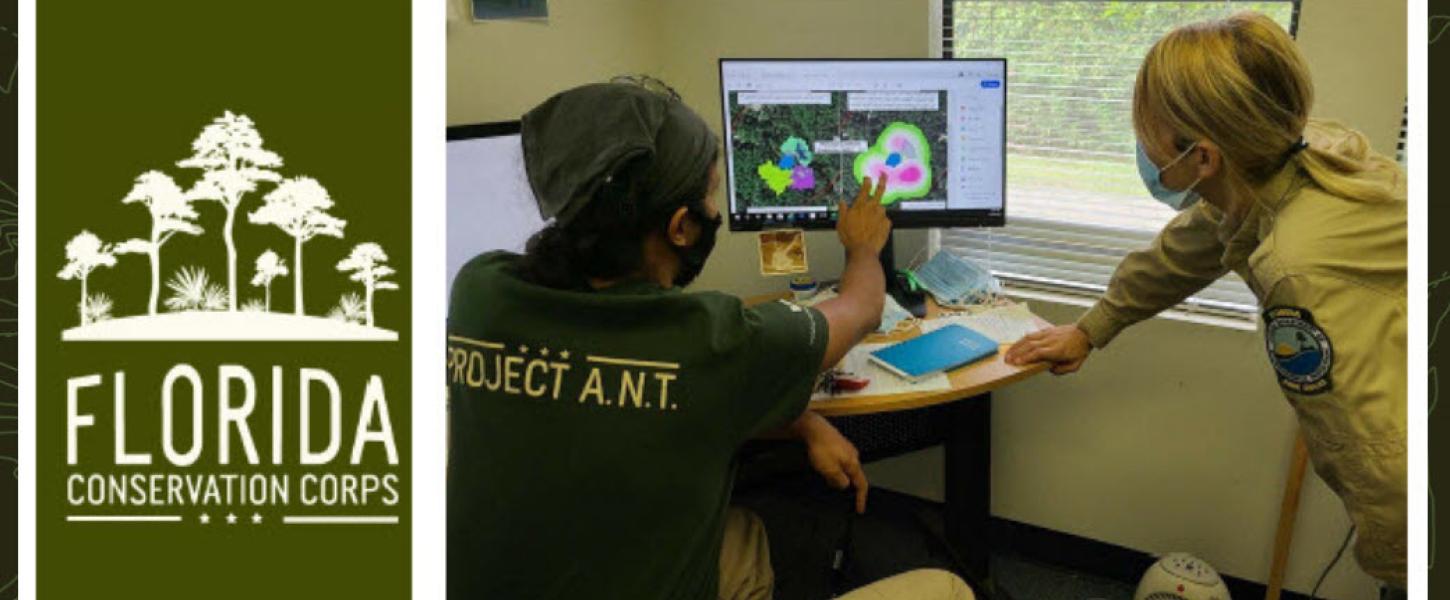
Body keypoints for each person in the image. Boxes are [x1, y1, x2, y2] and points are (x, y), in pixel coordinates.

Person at [447, 80, 973, 600]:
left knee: (741, 533)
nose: (716, 210)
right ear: (681, 226)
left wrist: (803, 420)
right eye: (711, 195)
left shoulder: (479, 293)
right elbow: (859, 310)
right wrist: (862, 248)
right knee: (948, 590)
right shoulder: (706, 338)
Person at [1003, 12, 1406, 595]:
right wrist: (1092, 328)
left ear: (1203, 158)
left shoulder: (1297, 269)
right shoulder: (1286, 156)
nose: (1140, 141)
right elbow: (1187, 250)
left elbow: (1380, 456)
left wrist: (1397, 566)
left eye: (1148, 128)